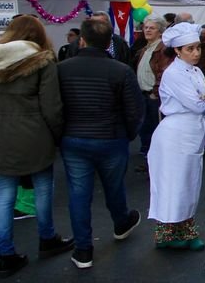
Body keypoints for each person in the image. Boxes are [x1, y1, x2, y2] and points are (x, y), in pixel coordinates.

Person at [0, 16, 73, 277]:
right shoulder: (43, 60)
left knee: (4, 194)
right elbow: (51, 106)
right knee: (43, 187)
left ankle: (6, 254)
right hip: (34, 133)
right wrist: (56, 134)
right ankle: (47, 238)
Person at [57, 18, 145, 269]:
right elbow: (135, 110)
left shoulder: (62, 69)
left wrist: (59, 134)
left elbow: (54, 106)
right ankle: (120, 222)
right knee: (114, 186)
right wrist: (127, 134)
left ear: (81, 40)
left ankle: (83, 249)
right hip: (111, 137)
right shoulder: (121, 70)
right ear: (109, 43)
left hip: (74, 137)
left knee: (78, 193)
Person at [147, 22, 205, 250]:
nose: (196, 53)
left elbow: (202, 100)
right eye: (190, 49)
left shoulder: (194, 71)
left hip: (190, 133)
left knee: (189, 185)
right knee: (173, 186)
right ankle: (169, 234)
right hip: (175, 136)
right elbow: (198, 104)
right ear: (177, 50)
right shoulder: (174, 73)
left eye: (198, 48)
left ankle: (182, 231)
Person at [134, 15, 173, 171]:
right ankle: (149, 161)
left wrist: (155, 92)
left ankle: (157, 166)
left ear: (160, 31)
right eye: (146, 27)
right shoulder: (146, 48)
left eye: (152, 28)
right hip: (144, 96)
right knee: (146, 130)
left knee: (155, 132)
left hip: (153, 97)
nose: (147, 30)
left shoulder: (162, 49)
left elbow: (164, 72)